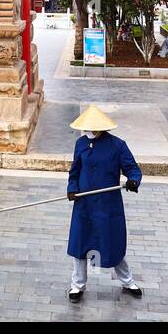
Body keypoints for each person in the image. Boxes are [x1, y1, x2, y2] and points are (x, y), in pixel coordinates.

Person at [65, 105, 143, 303]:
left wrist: (134, 180)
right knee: (80, 244)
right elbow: (74, 171)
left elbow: (132, 169)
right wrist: (72, 188)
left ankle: (128, 281)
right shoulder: (80, 144)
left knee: (112, 243)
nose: (87, 132)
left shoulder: (117, 146)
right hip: (84, 205)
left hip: (108, 205)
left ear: (100, 128)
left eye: (90, 129)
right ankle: (77, 285)